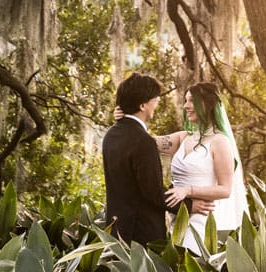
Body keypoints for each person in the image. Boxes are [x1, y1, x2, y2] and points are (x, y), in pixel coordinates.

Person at [101, 72, 213, 244]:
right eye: (155, 99)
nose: (157, 103)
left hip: (116, 231)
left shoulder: (111, 135)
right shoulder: (142, 141)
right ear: (143, 105)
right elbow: (152, 192)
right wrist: (189, 206)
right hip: (141, 234)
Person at [154, 81, 249, 252]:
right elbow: (147, 143)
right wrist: (126, 120)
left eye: (191, 101)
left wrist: (188, 191)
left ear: (207, 104)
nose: (186, 106)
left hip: (201, 218)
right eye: (185, 101)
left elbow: (225, 189)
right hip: (177, 216)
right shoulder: (183, 138)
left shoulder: (219, 142)